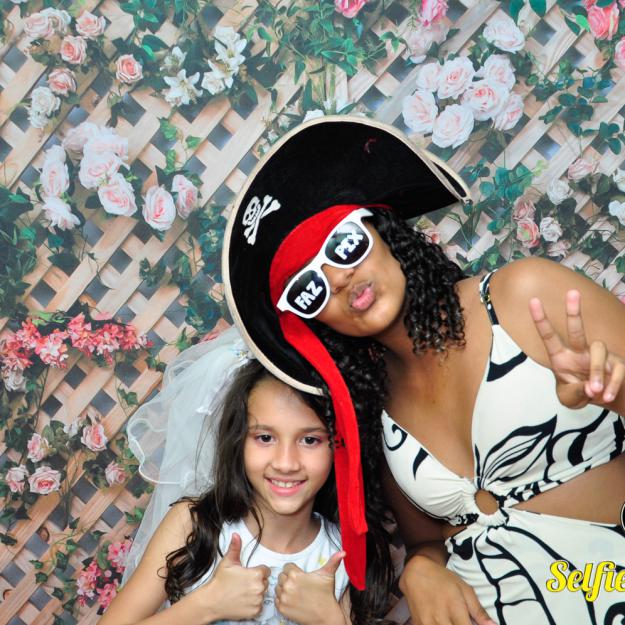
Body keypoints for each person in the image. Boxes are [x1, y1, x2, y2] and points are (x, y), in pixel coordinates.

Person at [221, 115, 625, 625]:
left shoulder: (523, 297)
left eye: (344, 245)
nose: (338, 280)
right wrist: (420, 568)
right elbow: (428, 540)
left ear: (382, 228)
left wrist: (613, 394)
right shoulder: (376, 407)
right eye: (309, 289)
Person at [100, 327, 387, 625]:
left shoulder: (342, 553)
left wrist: (328, 620)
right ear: (238, 440)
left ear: (339, 447)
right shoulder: (194, 524)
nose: (286, 463)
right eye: (265, 438)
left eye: (310, 440)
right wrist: (207, 605)